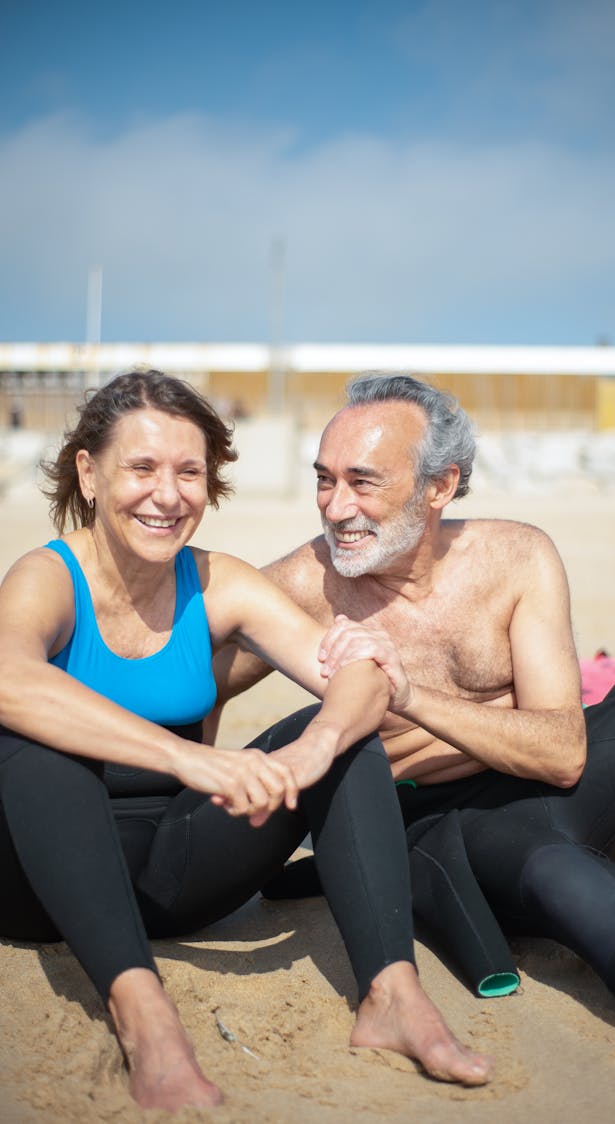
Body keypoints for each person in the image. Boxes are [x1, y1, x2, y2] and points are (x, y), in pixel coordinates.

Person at [211, 371, 615, 1073]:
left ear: (439, 486)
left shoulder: (516, 556)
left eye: (362, 481)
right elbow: (195, 682)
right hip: (458, 830)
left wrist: (409, 697)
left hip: (576, 771)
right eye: (324, 479)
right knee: (589, 901)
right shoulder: (302, 586)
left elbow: (562, 751)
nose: (335, 507)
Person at [0, 369, 492, 1114]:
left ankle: (391, 993)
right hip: (41, 888)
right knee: (36, 743)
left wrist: (316, 747)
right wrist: (187, 757)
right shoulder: (48, 577)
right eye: (142, 468)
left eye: (188, 472)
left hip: (172, 878)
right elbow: (9, 679)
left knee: (348, 735)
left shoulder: (217, 583)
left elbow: (358, 670)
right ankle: (147, 1017)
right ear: (89, 474)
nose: (167, 495)